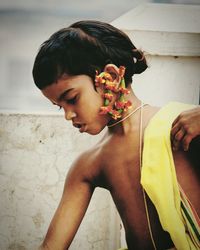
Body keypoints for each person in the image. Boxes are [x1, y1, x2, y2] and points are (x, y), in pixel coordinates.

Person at [32, 20, 200, 250]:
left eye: (72, 99)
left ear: (109, 77)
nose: (68, 115)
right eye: (59, 106)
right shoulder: (90, 164)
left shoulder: (182, 126)